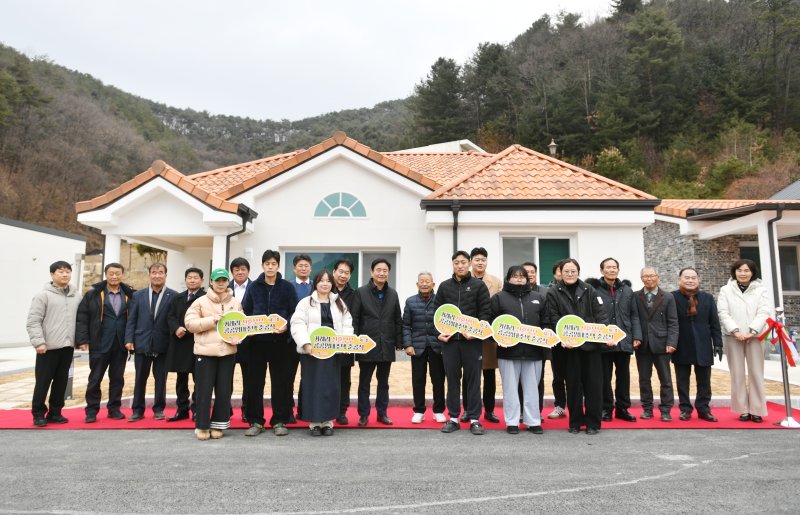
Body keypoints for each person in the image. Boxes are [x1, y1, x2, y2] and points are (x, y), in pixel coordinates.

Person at [543, 258, 608, 435]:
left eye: (573, 271)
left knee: (593, 385)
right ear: (560, 273)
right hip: (568, 348)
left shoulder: (589, 290)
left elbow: (601, 315)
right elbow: (553, 318)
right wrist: (562, 338)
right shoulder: (553, 292)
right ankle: (575, 422)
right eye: (566, 271)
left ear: (578, 272)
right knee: (573, 386)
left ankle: (593, 423)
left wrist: (603, 335)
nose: (570, 274)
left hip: (591, 347)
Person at [241, 250, 298, 437]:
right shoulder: (254, 287)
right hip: (256, 343)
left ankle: (279, 420)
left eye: (274, 264)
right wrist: (249, 328)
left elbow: (294, 312)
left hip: (280, 343)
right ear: (263, 265)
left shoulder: (287, 287)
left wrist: (286, 326)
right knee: (254, 383)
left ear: (278, 266)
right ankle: (255, 421)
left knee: (280, 383)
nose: (270, 267)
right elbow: (246, 311)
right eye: (267, 264)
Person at [291, 270, 354, 436]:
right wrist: (305, 343)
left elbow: (347, 323)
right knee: (313, 386)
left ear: (332, 284)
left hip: (333, 353)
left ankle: (327, 422)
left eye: (328, 281)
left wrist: (346, 342)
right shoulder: (305, 303)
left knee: (330, 386)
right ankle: (314, 422)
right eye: (321, 281)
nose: (325, 284)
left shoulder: (338, 302)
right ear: (316, 283)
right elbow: (297, 323)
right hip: (312, 353)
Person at [435, 251, 491, 436]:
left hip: (471, 342)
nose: (460, 266)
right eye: (456, 262)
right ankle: (453, 418)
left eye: (463, 262)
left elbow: (485, 313)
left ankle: (475, 419)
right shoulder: (444, 287)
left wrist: (476, 332)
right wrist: (439, 334)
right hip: (450, 342)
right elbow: (437, 313)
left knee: (473, 380)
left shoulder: (478, 286)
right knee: (452, 380)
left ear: (469, 264)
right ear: (453, 265)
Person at [184, 268, 242, 440]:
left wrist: (238, 337)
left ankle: (219, 424)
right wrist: (212, 320)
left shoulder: (235, 302)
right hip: (205, 353)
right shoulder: (200, 301)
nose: (221, 283)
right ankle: (201, 426)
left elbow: (241, 324)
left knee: (224, 391)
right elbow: (190, 323)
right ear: (211, 282)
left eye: (224, 280)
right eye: (217, 280)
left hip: (227, 353)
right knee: (203, 390)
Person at [491, 266, 547, 434]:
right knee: (510, 389)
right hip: (508, 352)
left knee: (532, 388)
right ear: (508, 279)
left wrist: (546, 335)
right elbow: (490, 323)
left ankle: (533, 421)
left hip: (534, 351)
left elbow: (547, 321)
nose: (520, 279)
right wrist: (498, 339)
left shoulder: (539, 297)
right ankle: (512, 422)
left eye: (522, 276)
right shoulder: (499, 298)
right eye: (515, 276)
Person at [76, 262, 134, 423]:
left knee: (117, 378)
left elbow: (134, 319)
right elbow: (82, 317)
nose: (114, 276)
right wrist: (83, 340)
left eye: (118, 273)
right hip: (99, 343)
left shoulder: (130, 294)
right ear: (106, 275)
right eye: (111, 273)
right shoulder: (93, 294)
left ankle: (114, 409)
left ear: (122, 275)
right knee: (95, 378)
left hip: (120, 344)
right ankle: (91, 410)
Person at [27, 260, 82, 427]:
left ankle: (55, 412)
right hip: (47, 347)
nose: (65, 274)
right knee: (43, 381)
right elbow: (33, 321)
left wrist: (79, 341)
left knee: (61, 381)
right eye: (60, 271)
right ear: (52, 274)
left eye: (67, 271)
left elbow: (80, 320)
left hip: (67, 346)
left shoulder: (76, 296)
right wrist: (39, 342)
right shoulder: (42, 296)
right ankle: (38, 414)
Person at [587, 258, 642, 423]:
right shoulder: (594, 290)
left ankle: (622, 408)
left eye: (614, 267)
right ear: (602, 270)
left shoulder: (626, 290)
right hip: (603, 340)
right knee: (604, 377)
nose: (612, 270)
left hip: (623, 340)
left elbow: (634, 315)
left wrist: (637, 336)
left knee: (624, 376)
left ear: (618, 270)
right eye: (608, 267)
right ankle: (606, 408)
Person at [717, 259, 772, 423]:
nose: (743, 273)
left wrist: (751, 331)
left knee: (756, 373)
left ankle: (757, 410)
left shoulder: (761, 290)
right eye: (740, 270)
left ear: (752, 272)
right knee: (737, 374)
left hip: (754, 337)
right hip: (733, 337)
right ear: (734, 272)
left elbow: (764, 312)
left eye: (746, 270)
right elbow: (723, 312)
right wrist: (735, 331)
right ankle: (742, 409)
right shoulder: (726, 290)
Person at [352, 258, 403, 426]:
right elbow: (355, 319)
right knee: (364, 383)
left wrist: (399, 342)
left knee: (384, 383)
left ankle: (382, 413)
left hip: (386, 344)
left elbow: (397, 320)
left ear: (388, 273)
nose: (382, 273)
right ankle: (364, 415)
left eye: (385, 270)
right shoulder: (361, 292)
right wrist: (356, 342)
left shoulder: (393, 294)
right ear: (372, 272)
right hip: (367, 344)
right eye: (378, 270)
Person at [125, 262, 177, 422]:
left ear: (166, 275)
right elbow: (131, 319)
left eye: (161, 272)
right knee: (140, 378)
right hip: (142, 342)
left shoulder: (173, 296)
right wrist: (129, 339)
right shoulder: (138, 295)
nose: (157, 275)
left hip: (163, 344)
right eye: (154, 272)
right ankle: (137, 410)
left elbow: (173, 320)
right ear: (149, 275)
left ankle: (159, 409)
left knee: (161, 379)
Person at [672, 267, 723, 422]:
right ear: (680, 279)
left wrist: (718, 343)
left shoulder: (707, 298)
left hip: (703, 344)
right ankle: (685, 409)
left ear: (698, 279)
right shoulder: (672, 297)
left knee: (704, 381)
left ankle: (703, 409)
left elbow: (715, 323)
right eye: (686, 277)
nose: (690, 280)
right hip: (681, 344)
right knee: (682, 380)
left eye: (693, 277)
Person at [634, 267, 678, 422]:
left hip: (662, 344)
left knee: (665, 379)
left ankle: (666, 410)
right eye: (645, 276)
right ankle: (647, 408)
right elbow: (634, 319)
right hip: (642, 345)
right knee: (644, 379)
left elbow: (673, 322)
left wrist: (672, 342)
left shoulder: (667, 297)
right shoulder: (636, 296)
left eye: (652, 276)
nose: (649, 279)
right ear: (641, 279)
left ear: (658, 277)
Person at [465, 247, 502, 423]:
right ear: (471, 261)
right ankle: (467, 410)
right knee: (469, 374)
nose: (480, 262)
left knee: (489, 374)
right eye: (477, 259)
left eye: (483, 259)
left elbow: (500, 308)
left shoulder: (495, 282)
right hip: (467, 334)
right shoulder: (464, 280)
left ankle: (489, 410)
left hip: (488, 335)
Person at [402, 272, 446, 424]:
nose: (424, 284)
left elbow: (445, 323)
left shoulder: (440, 301)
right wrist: (407, 344)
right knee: (418, 380)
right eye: (421, 281)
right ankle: (419, 410)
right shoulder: (410, 301)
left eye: (428, 281)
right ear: (417, 284)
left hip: (437, 346)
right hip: (417, 347)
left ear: (433, 284)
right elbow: (406, 325)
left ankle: (439, 410)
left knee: (438, 379)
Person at [165, 267, 206, 422]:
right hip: (180, 343)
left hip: (198, 342)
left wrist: (188, 330)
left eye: (196, 277)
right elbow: (170, 316)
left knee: (199, 379)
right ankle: (182, 409)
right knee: (181, 380)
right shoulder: (177, 297)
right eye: (189, 277)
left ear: (202, 280)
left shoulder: (206, 298)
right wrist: (176, 328)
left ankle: (197, 410)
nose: (192, 280)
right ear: (185, 279)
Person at [288, 254, 313, 422]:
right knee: (288, 377)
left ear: (310, 268)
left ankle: (304, 411)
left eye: (306, 266)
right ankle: (288, 412)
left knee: (307, 378)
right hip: (289, 341)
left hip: (310, 341)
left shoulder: (316, 286)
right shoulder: (288, 287)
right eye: (300, 266)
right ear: (294, 269)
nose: (303, 268)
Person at [331, 258, 356, 425]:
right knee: (326, 377)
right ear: (334, 272)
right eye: (340, 271)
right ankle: (326, 410)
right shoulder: (324, 289)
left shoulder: (355, 294)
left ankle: (341, 411)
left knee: (344, 379)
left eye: (346, 273)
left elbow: (357, 319)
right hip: (325, 344)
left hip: (346, 344)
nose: (343, 275)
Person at [522, 261, 548, 416]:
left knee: (538, 379)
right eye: (526, 272)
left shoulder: (545, 293)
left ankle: (536, 412)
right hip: (518, 343)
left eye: (532, 271)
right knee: (519, 381)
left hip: (538, 344)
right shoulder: (511, 292)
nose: (530, 274)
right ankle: (520, 412)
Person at [229, 257, 252, 421]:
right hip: (227, 341)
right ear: (232, 272)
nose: (240, 272)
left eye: (243, 269)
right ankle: (225, 410)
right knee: (225, 377)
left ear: (248, 271)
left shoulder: (256, 287)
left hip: (250, 342)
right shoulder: (224, 287)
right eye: (236, 269)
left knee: (250, 379)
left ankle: (247, 410)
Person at [546, 258, 568, 419]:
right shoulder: (549, 292)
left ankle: (576, 405)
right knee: (558, 376)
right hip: (557, 340)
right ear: (555, 274)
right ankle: (559, 405)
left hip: (576, 341)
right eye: (560, 271)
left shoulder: (581, 289)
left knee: (576, 376)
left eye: (567, 271)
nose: (564, 274)